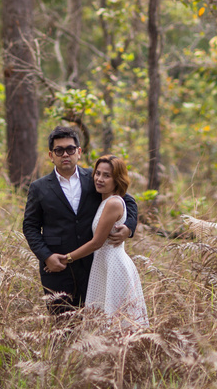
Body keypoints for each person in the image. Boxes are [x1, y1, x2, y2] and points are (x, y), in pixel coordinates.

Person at [23, 126, 138, 312]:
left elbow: (127, 199)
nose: (65, 154)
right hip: (56, 266)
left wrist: (129, 227)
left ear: (79, 152)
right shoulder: (39, 187)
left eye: (70, 149)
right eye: (59, 150)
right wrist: (46, 256)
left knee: (94, 322)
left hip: (92, 264)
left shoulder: (94, 178)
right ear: (51, 155)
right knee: (63, 325)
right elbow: (30, 227)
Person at [49, 154, 148, 326]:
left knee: (115, 321)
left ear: (117, 179)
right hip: (102, 264)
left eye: (107, 175)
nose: (100, 179)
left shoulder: (113, 203)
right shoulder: (102, 196)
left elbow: (97, 242)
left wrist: (67, 258)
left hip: (113, 264)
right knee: (104, 320)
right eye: (98, 173)